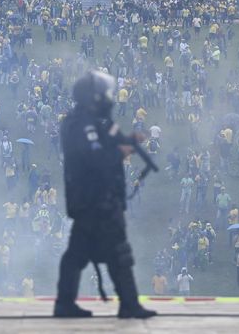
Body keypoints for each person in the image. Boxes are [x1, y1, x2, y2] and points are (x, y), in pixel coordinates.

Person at [54, 71, 156, 319]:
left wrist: (129, 140)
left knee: (78, 254)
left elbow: (111, 136)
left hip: (95, 200)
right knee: (118, 253)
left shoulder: (93, 121)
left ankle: (66, 303)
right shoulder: (84, 125)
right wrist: (119, 153)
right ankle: (129, 304)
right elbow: (94, 159)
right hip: (95, 200)